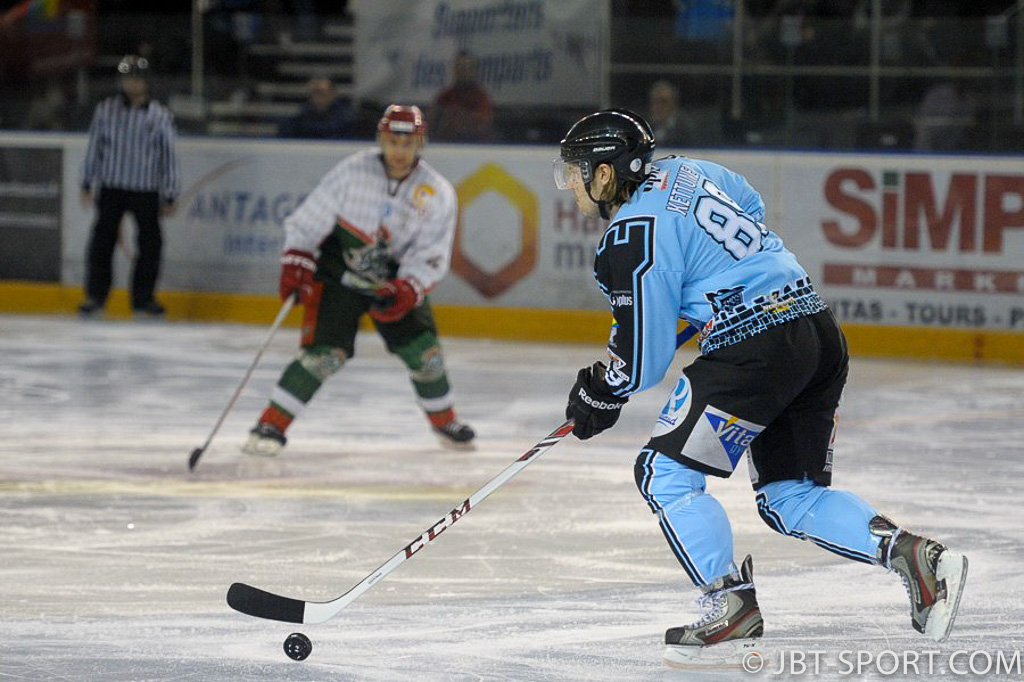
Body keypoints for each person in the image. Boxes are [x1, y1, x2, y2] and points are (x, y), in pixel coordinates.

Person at [554, 109, 968, 668]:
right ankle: (914, 558)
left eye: (575, 171)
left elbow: (642, 362)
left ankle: (731, 604)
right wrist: (709, 285)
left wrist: (600, 392)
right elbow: (750, 205)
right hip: (815, 330)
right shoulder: (687, 171)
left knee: (664, 473)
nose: (570, 183)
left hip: (756, 350)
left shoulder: (628, 236)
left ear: (604, 176)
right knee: (788, 495)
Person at [244, 104, 475, 456]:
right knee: (324, 355)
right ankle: (270, 424)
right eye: (392, 142)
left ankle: (445, 422)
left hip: (393, 283)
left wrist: (408, 287)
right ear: (381, 140)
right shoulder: (353, 171)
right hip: (339, 276)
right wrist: (297, 260)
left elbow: (432, 253)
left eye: (408, 143)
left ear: (420, 144)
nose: (399, 151)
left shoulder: (437, 192)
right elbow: (309, 220)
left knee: (425, 356)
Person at [78, 55, 180, 317]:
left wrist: (170, 193)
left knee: (150, 244)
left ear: (146, 81)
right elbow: (95, 148)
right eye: (127, 78)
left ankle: (143, 299)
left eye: (136, 78)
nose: (132, 83)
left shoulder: (159, 115)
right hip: (112, 186)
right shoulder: (106, 110)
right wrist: (87, 182)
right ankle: (96, 296)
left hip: (145, 189)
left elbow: (167, 156)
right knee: (102, 242)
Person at [428, 50, 496, 142]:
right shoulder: (445, 96)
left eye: (466, 67)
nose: (463, 71)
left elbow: (482, 125)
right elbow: (431, 123)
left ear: (473, 70)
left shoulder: (480, 98)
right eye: (459, 67)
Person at [278, 77, 354, 140]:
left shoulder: (346, 119)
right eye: (314, 92)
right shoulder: (300, 119)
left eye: (322, 92)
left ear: (333, 93)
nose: (318, 96)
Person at [646, 79, 693, 148]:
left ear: (674, 104)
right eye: (655, 101)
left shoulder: (685, 129)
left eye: (664, 102)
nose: (659, 106)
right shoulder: (645, 128)